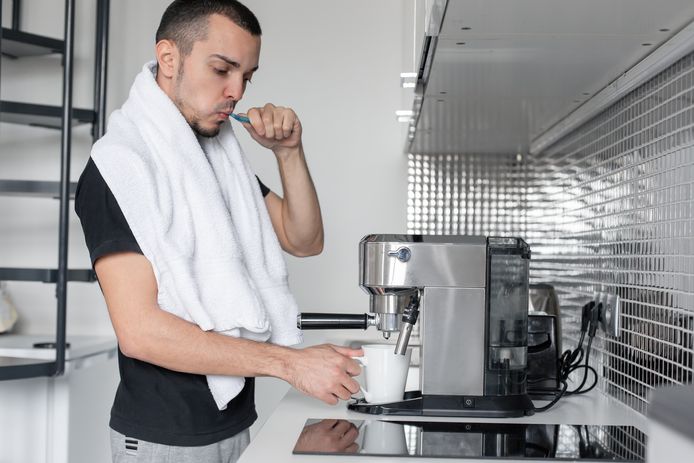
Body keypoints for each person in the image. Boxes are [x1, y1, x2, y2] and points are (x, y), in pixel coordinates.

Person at [74, 1, 362, 462]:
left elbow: (304, 240)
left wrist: (289, 152)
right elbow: (140, 332)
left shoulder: (216, 159)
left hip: (231, 422)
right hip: (162, 439)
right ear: (169, 58)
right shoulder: (120, 168)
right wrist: (290, 364)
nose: (236, 91)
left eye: (247, 76)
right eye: (222, 69)